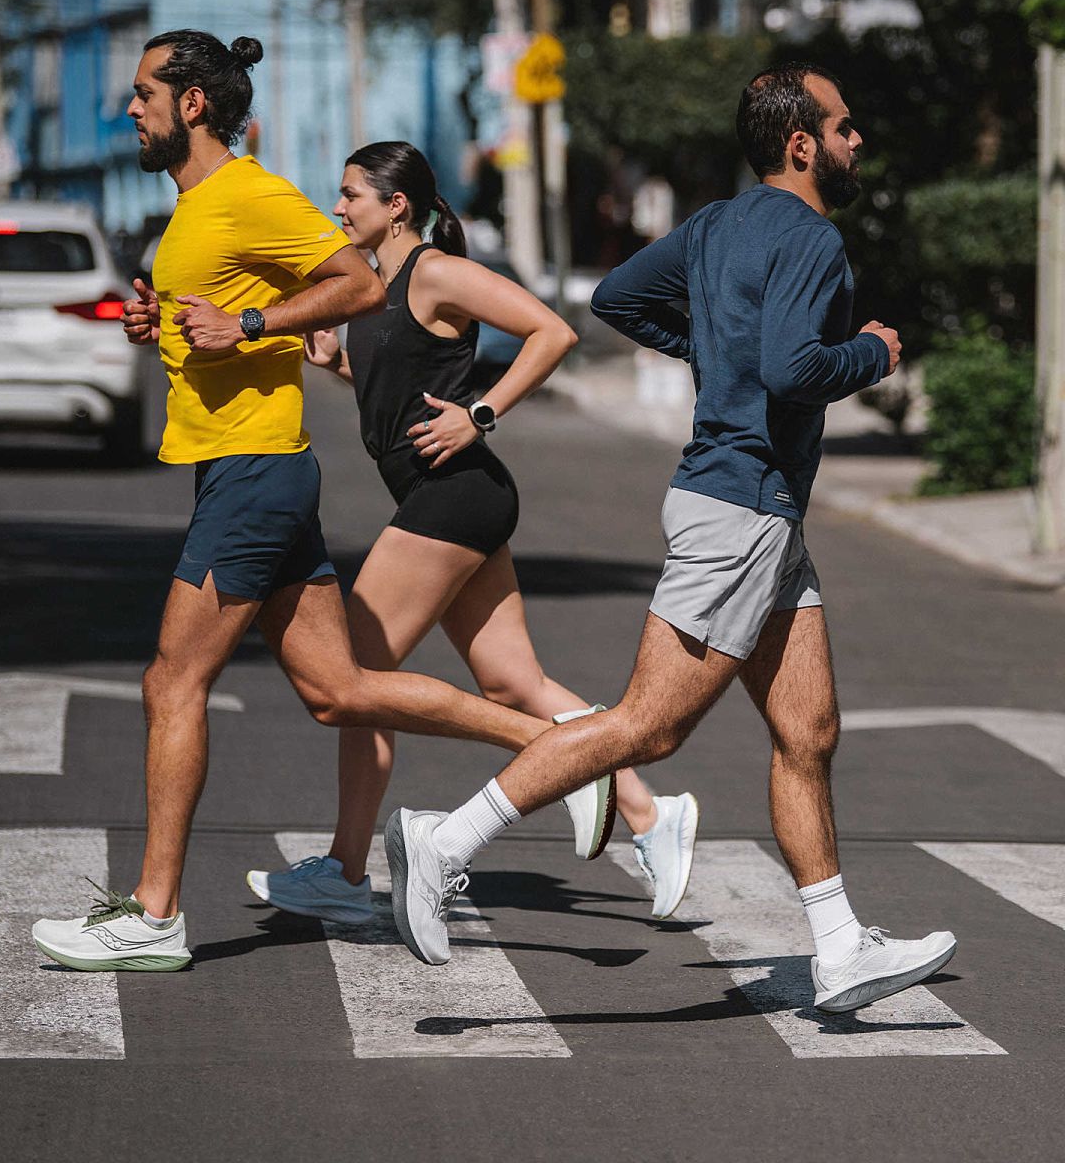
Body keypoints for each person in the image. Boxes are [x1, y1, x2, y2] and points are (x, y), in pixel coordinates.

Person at [383, 64, 958, 1015]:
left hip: (761, 514)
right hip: (741, 504)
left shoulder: (717, 224)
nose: (860, 144)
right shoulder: (813, 238)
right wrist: (875, 353)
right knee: (649, 724)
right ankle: (445, 843)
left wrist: (715, 356)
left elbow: (617, 300)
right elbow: (795, 365)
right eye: (848, 128)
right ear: (803, 144)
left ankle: (840, 944)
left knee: (807, 731)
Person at [30, 31, 573, 973]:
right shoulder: (194, 210)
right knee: (341, 692)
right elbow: (254, 313)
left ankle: (153, 915)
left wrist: (244, 323)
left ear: (192, 103)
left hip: (253, 474)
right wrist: (164, 321)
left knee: (172, 680)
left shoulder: (247, 192)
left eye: (142, 93)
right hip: (245, 469)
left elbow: (356, 282)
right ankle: (565, 746)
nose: (131, 109)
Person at [245, 142, 698, 926]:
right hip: (451, 500)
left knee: (353, 675)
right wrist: (336, 367)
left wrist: (480, 414)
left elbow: (550, 331)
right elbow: (401, 388)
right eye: (338, 193)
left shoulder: (434, 271)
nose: (338, 207)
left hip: (453, 497)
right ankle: (650, 812)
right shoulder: (370, 287)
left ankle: (346, 873)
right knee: (510, 681)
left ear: (397, 206)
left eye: (351, 194)